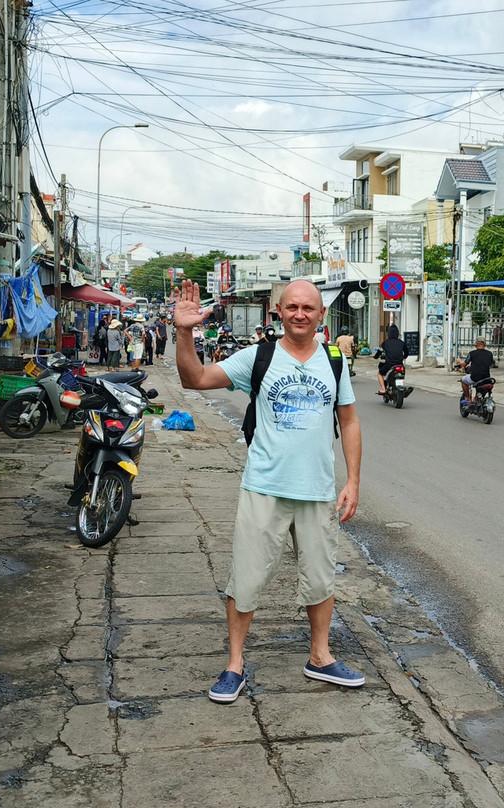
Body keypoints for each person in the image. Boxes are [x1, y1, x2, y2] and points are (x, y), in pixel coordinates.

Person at [170, 277, 362, 703]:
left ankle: (320, 656)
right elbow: (194, 379)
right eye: (292, 307)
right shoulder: (258, 356)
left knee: (320, 577)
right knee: (247, 577)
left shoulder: (333, 361)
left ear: (321, 315)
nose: (299, 314)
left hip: (317, 491)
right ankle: (234, 664)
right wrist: (185, 333)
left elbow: (348, 421)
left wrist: (352, 480)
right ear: (279, 311)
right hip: (264, 487)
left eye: (308, 308)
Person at [457, 337, 495, 403]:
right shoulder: (490, 354)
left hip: (475, 377)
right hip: (486, 378)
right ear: (485, 345)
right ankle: (476, 399)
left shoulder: (472, 353)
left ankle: (468, 398)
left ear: (475, 344)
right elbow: (491, 364)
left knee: (463, 380)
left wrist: (459, 363)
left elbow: (465, 364)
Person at [375, 324, 406, 395]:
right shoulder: (402, 343)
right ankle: (401, 384)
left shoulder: (385, 343)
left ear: (388, 333)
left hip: (389, 365)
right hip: (400, 365)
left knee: (380, 373)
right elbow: (406, 352)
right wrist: (404, 357)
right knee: (402, 373)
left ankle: (383, 389)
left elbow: (379, 351)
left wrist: (376, 357)